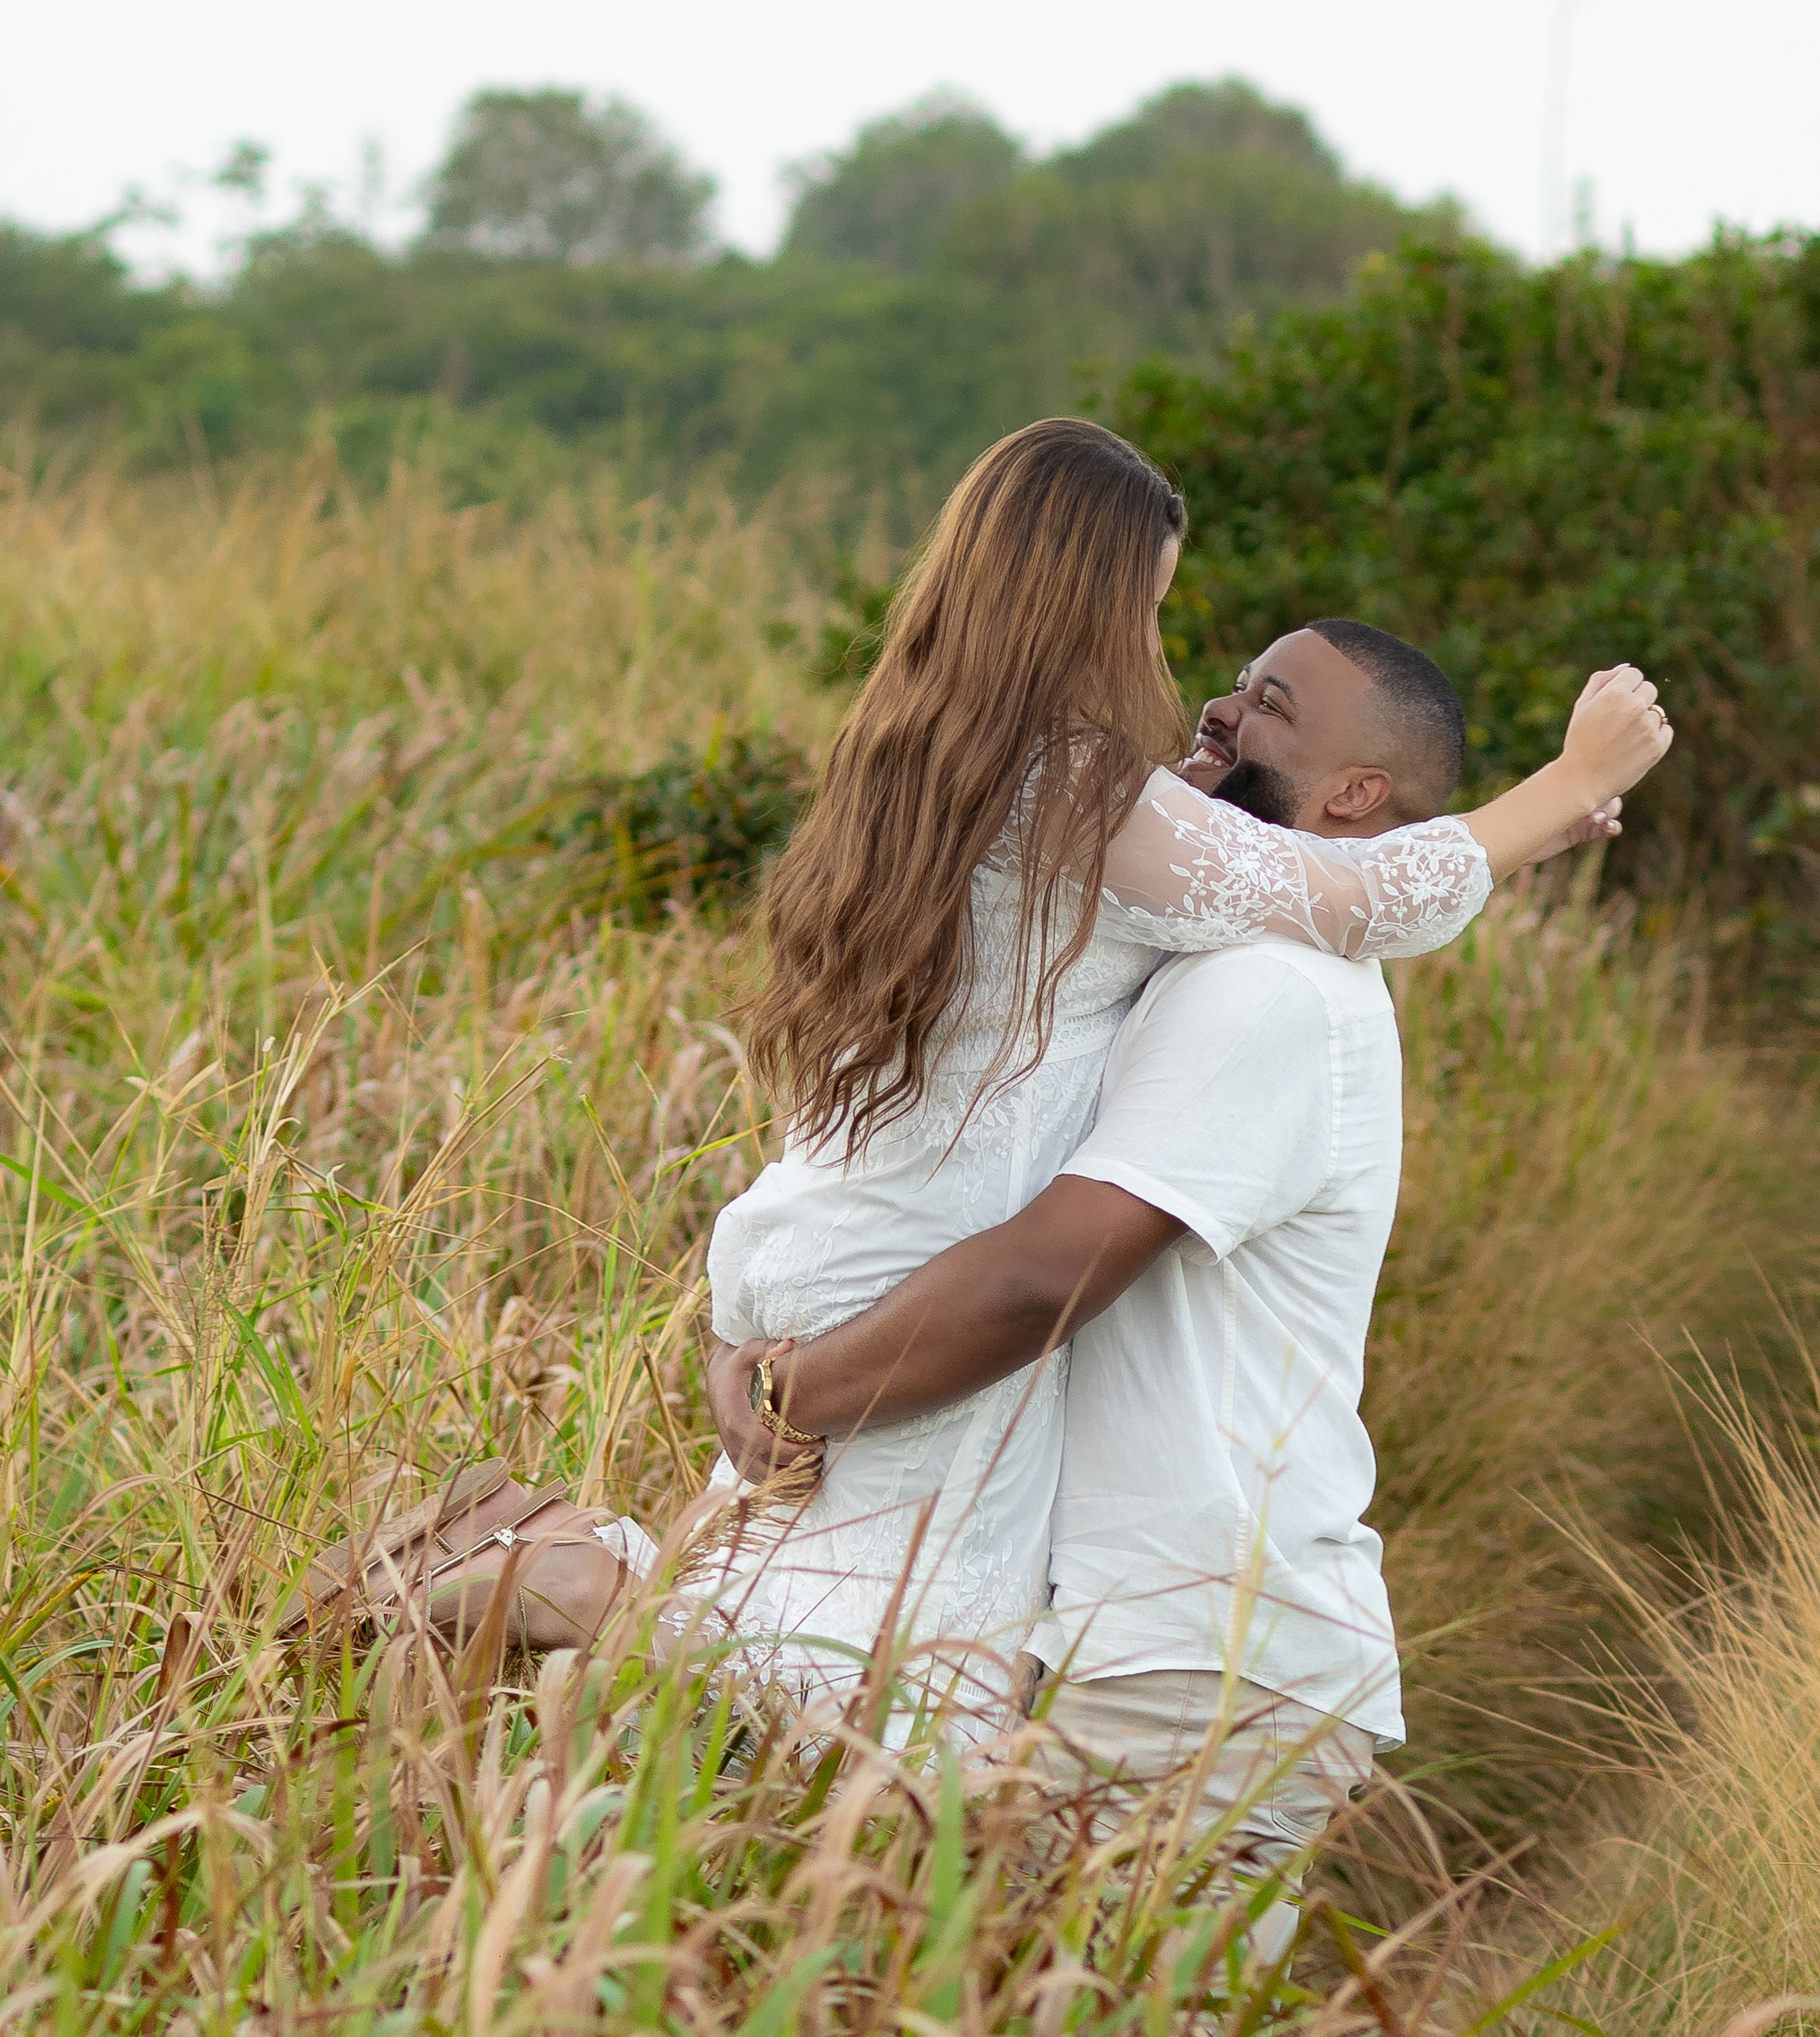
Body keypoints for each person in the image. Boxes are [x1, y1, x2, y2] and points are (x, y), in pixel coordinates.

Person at [363, 416, 1670, 1682]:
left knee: (764, 1640)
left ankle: (528, 1604)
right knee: (900, 1686)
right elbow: (1343, 900)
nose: (1169, 656)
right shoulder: (1085, 790)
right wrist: (1563, 780)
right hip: (925, 1274)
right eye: (1149, 609)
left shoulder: (931, 760)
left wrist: (1506, 839)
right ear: (1092, 608)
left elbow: (1288, 862)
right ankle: (569, 1573)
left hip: (820, 1253)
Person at [697, 620, 1571, 1911]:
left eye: (1271, 705)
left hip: (1199, 1658)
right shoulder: (1186, 960)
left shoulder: (1271, 995)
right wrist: (745, 1344)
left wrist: (788, 1396)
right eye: (1234, 683)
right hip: (1135, 1639)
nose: (1220, 710)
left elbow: (1037, 1279)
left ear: (1355, 796)